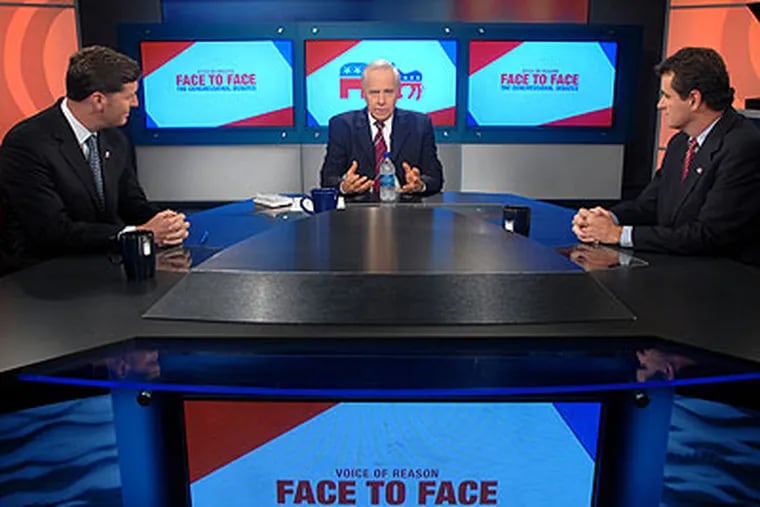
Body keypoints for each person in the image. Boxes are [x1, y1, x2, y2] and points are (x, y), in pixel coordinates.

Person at [0, 45, 189, 270]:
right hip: (43, 275)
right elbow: (51, 230)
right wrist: (139, 234)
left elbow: (131, 204)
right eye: (129, 97)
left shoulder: (114, 138)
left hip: (104, 265)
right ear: (98, 100)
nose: (136, 104)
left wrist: (166, 223)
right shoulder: (28, 143)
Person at [572, 47, 760, 265]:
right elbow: (648, 206)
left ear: (693, 99)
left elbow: (708, 235)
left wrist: (618, 234)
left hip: (725, 280)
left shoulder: (743, 146)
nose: (660, 105)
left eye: (667, 96)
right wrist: (604, 219)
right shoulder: (680, 142)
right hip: (677, 270)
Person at [320, 59, 444, 197]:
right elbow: (328, 179)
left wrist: (420, 185)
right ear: (363, 93)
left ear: (398, 92)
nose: (381, 101)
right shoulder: (342, 126)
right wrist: (344, 186)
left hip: (406, 210)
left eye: (388, 92)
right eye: (374, 92)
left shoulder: (420, 125)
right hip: (358, 211)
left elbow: (435, 179)